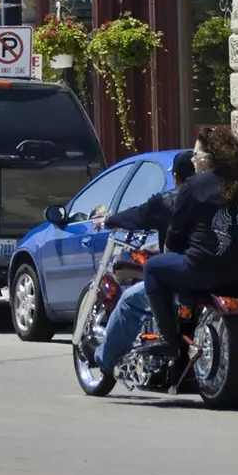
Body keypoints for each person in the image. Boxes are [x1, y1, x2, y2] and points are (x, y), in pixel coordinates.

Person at [142, 125, 238, 374]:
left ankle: (169, 339)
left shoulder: (193, 186)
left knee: (152, 268)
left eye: (196, 156)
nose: (193, 161)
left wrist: (173, 249)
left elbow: (175, 239)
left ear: (209, 159)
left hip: (205, 267)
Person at [90, 151, 196, 375]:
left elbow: (136, 215)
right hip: (211, 274)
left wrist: (108, 220)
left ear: (176, 177)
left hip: (183, 277)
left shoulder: (167, 201)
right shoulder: (212, 198)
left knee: (129, 300)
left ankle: (103, 358)